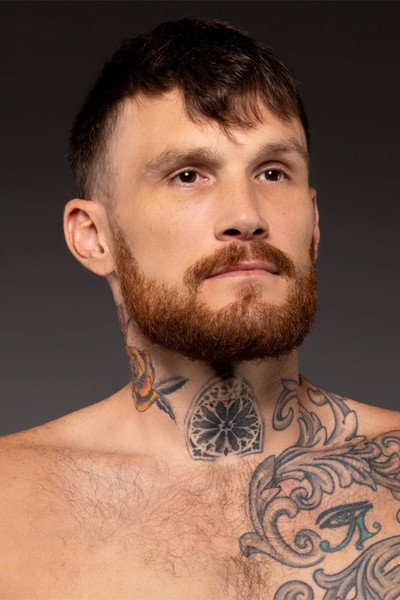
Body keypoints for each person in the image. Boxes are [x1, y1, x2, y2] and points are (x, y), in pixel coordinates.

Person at [1, 17, 400, 600]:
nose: (247, 215)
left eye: (273, 172)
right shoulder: (8, 504)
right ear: (94, 236)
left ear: (313, 222)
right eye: (188, 175)